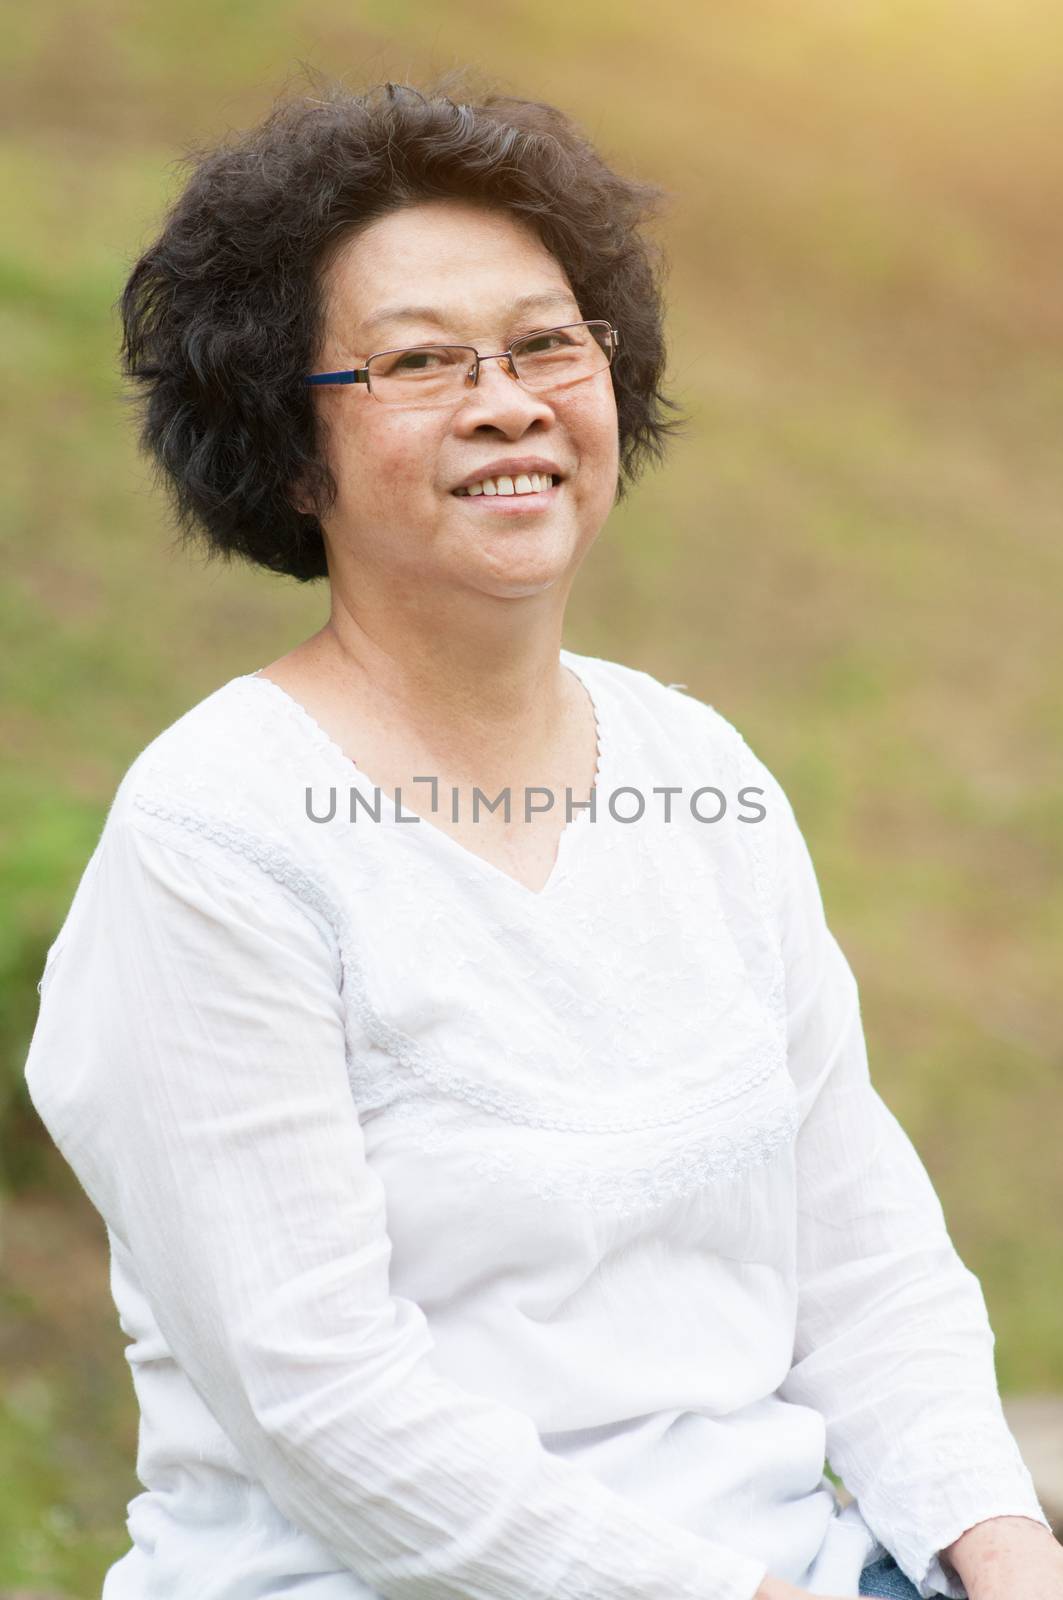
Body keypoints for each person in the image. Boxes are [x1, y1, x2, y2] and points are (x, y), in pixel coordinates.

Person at [23, 78, 1061, 1600]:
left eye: (545, 343)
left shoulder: (698, 774)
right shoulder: (215, 841)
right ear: (286, 448)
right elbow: (332, 1414)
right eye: (421, 360)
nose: (506, 399)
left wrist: (1002, 1541)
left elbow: (864, 1247)